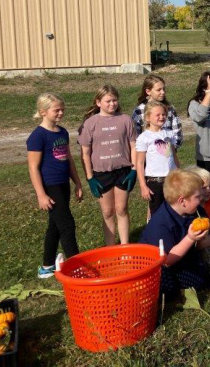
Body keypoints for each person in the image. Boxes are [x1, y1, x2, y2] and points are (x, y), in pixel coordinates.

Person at [27, 93, 83, 278]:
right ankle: (77, 268)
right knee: (66, 225)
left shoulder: (62, 132)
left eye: (62, 110)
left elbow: (68, 160)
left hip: (63, 184)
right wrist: (41, 195)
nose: (60, 113)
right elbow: (33, 168)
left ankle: (46, 266)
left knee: (55, 226)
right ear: (43, 112)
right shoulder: (38, 136)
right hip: (50, 187)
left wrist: (77, 182)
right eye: (56, 110)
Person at [78, 85, 137, 246]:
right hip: (101, 173)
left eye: (115, 100)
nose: (112, 104)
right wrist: (90, 178)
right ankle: (110, 248)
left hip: (123, 171)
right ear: (98, 102)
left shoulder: (126, 120)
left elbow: (133, 146)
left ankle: (125, 246)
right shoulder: (90, 123)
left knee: (121, 209)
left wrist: (134, 169)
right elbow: (85, 153)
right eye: (108, 101)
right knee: (108, 212)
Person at [140, 169, 210, 297]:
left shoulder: (195, 211)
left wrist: (203, 239)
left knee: (204, 278)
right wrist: (190, 238)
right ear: (182, 201)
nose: (201, 199)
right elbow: (166, 260)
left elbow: (200, 245)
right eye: (197, 197)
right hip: (157, 266)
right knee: (168, 288)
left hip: (182, 258)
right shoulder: (161, 224)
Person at [136, 100, 180, 217]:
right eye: (158, 115)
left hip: (172, 180)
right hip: (155, 182)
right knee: (157, 214)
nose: (162, 117)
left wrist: (179, 174)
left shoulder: (170, 134)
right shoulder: (144, 137)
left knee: (174, 210)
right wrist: (143, 186)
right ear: (148, 117)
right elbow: (139, 163)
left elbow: (174, 157)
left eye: (164, 114)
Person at [131, 74, 183, 149]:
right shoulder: (139, 111)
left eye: (163, 89)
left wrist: (168, 150)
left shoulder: (170, 109)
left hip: (168, 154)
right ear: (148, 91)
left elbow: (178, 134)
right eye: (158, 90)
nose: (163, 92)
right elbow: (135, 137)